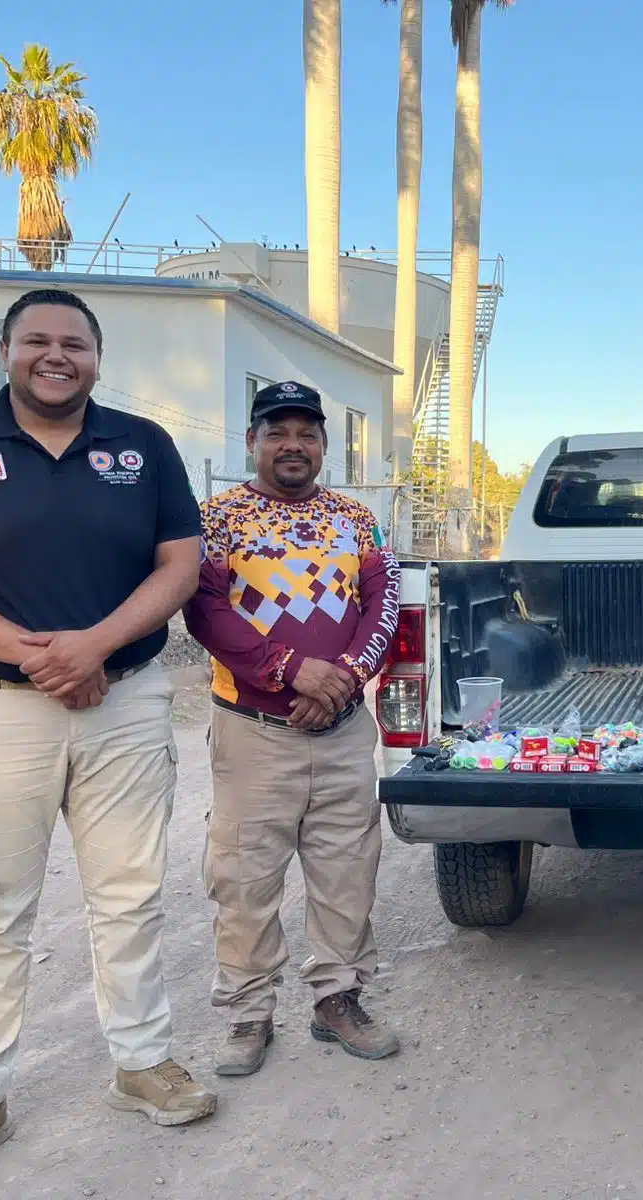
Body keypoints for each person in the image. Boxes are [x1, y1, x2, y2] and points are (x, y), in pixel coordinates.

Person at [0, 288, 217, 1185]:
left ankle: (143, 1064)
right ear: (7, 352)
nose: (56, 355)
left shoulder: (143, 445)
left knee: (129, 897)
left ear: (98, 359)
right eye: (37, 340)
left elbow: (179, 563)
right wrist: (39, 657)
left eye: (75, 342)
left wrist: (96, 647)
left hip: (126, 700)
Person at [183, 380, 402, 1077]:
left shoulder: (356, 518)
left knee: (347, 870)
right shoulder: (216, 520)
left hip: (341, 728)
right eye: (277, 431)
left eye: (307, 433)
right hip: (252, 730)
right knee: (244, 875)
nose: (292, 445)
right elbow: (204, 612)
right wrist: (285, 671)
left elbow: (384, 600)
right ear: (252, 442)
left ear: (323, 447)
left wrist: (341, 678)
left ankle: (338, 999)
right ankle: (249, 1013)